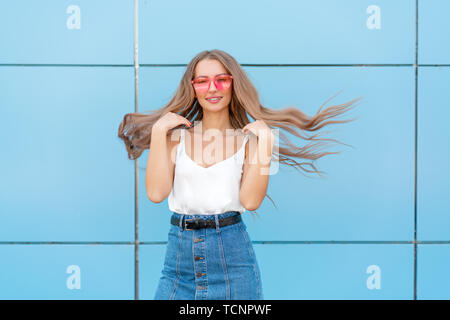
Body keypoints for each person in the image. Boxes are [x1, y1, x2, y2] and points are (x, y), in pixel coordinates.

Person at [117, 49, 363, 300]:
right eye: (202, 81)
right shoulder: (172, 138)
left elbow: (251, 201)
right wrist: (159, 132)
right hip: (178, 266)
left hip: (232, 263)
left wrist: (266, 140)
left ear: (234, 84)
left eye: (221, 79)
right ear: (192, 88)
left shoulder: (254, 141)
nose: (212, 88)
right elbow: (156, 193)